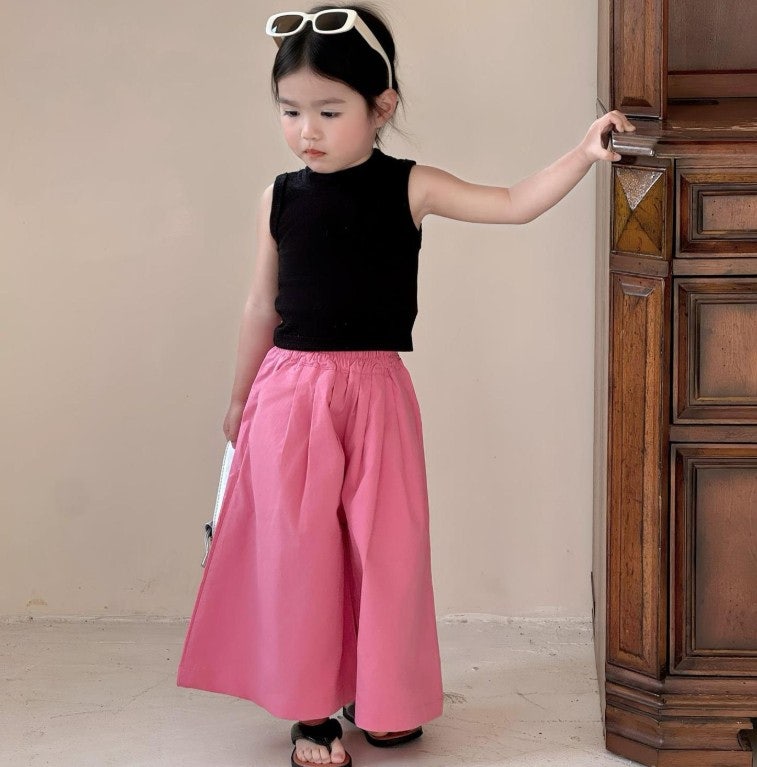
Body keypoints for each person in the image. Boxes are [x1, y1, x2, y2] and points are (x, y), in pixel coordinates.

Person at [176, 4, 635, 766]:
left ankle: (379, 695)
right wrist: (237, 397)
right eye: (289, 111)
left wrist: (582, 153)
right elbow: (260, 304)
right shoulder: (278, 197)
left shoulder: (410, 186)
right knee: (299, 555)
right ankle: (311, 712)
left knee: (385, 552)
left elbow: (511, 203)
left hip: (377, 393)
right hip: (289, 394)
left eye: (328, 111)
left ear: (381, 106)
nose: (306, 130)